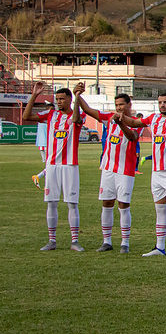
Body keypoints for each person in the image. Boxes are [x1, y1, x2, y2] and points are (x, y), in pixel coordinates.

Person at [120, 91, 166, 258]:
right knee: (160, 209)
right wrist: (120, 116)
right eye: (160, 102)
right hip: (157, 171)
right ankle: (160, 247)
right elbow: (134, 122)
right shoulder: (153, 119)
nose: (162, 105)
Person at [22, 81, 86, 251]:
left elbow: (76, 119)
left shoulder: (76, 115)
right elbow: (26, 117)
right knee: (51, 202)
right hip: (51, 166)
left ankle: (74, 241)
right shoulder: (51, 115)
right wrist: (34, 95)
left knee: (72, 203)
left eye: (62, 99)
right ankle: (52, 241)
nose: (58, 102)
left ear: (69, 100)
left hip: (69, 165)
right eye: (57, 99)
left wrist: (78, 97)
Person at [76, 90, 142, 253]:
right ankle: (107, 241)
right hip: (108, 169)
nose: (118, 107)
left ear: (129, 105)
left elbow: (132, 137)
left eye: (121, 104)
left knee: (123, 205)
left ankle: (125, 243)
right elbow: (87, 110)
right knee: (106, 204)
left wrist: (121, 123)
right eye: (117, 105)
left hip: (125, 170)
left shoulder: (136, 122)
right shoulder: (108, 118)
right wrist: (77, 95)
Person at [31, 102, 55, 188]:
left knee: (49, 165)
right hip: (46, 144)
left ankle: (44, 182)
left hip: (41, 144)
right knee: (51, 165)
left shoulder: (43, 118)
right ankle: (39, 178)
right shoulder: (49, 118)